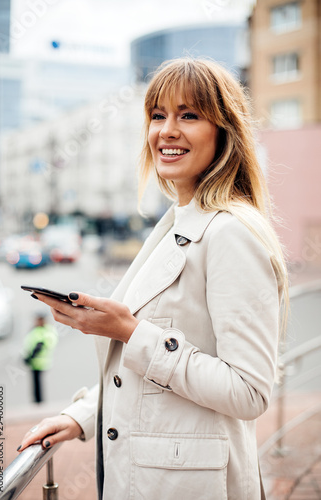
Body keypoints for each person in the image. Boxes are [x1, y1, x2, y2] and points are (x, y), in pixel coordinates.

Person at [17, 58, 288, 499]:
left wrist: (129, 331)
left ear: (224, 131)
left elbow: (248, 392)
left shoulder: (231, 232)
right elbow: (148, 379)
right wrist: (83, 416)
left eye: (189, 115)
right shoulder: (175, 223)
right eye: (158, 115)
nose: (167, 130)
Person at [23, 313, 58, 403]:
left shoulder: (46, 330)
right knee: (35, 383)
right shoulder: (36, 329)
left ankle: (39, 402)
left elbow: (47, 342)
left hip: (40, 361)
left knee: (38, 384)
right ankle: (37, 401)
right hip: (33, 361)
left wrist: (34, 352)